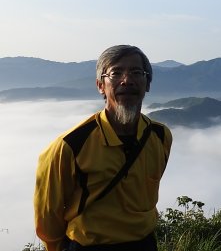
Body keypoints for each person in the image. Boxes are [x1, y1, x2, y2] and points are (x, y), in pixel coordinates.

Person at [34, 45, 173, 251]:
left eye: (137, 72)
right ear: (101, 85)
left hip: (144, 244)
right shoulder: (71, 145)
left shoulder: (160, 136)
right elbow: (47, 215)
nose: (127, 80)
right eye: (116, 73)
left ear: (147, 84)